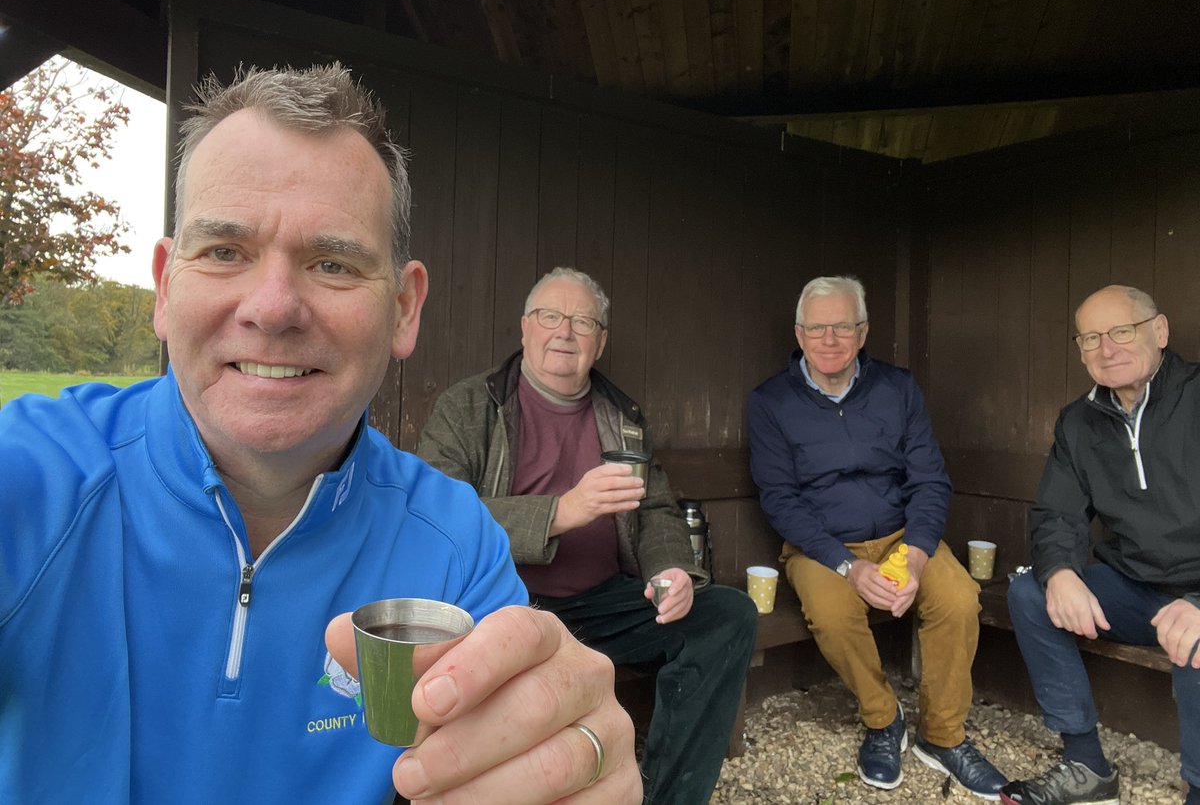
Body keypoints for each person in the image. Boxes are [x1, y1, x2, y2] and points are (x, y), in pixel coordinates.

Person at [0, 65, 640, 805]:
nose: (272, 308)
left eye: (331, 263)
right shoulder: (30, 481)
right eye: (224, 252)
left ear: (404, 308)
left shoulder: (456, 547)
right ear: (166, 287)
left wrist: (568, 763)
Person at [416, 266, 758, 804]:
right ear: (525, 328)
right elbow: (438, 520)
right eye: (550, 316)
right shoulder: (470, 406)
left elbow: (657, 508)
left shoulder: (621, 417)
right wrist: (561, 511)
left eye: (582, 322)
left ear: (600, 342)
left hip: (602, 604)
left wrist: (671, 569)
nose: (565, 332)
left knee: (727, 617)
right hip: (503, 604)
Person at [746, 275, 1006, 799]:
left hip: (901, 537)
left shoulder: (898, 388)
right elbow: (780, 500)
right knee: (835, 613)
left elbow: (930, 479)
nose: (829, 339)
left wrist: (914, 558)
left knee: (958, 597)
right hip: (821, 547)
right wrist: (848, 567)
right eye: (817, 327)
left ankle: (944, 736)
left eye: (843, 326)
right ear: (798, 333)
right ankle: (884, 720)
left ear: (863, 332)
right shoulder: (771, 402)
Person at [1001, 285, 1200, 805]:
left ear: (1159, 332)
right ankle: (1087, 767)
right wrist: (1062, 572)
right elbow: (1057, 513)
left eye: (1120, 332)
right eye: (1090, 337)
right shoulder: (1079, 421)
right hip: (1137, 588)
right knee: (1030, 592)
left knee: (1198, 646)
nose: (1105, 348)